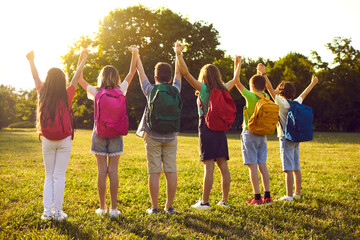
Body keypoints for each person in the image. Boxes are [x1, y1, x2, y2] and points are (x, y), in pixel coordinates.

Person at [176, 43, 241, 209]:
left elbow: (185, 73)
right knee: (223, 166)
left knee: (209, 166)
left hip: (206, 127)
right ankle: (224, 201)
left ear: (204, 76)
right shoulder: (224, 89)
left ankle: (204, 202)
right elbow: (235, 79)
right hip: (220, 129)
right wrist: (237, 62)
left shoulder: (204, 89)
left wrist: (179, 54)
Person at [26, 49, 88, 221]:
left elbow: (35, 77)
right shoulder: (67, 94)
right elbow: (76, 76)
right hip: (64, 139)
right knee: (59, 176)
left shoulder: (43, 93)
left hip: (47, 139)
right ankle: (58, 212)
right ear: (62, 81)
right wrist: (83, 59)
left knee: (49, 175)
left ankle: (47, 212)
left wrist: (31, 60)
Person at [77, 46, 138, 218]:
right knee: (114, 171)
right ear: (116, 78)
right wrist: (135, 54)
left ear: (101, 78)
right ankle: (113, 209)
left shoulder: (96, 92)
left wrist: (83, 55)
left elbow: (79, 77)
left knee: (101, 170)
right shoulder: (121, 90)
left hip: (99, 133)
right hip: (117, 133)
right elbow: (132, 72)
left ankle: (102, 207)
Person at [258, 63, 318, 201]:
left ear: (280, 91)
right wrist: (312, 83)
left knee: (288, 167)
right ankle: (297, 193)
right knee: (296, 166)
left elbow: (268, 89)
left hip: (285, 137)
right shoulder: (296, 102)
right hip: (297, 138)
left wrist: (263, 73)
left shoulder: (281, 103)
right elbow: (304, 93)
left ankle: (289, 195)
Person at [135, 42, 182, 214]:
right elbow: (179, 73)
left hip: (152, 136)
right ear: (170, 78)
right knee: (171, 170)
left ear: (155, 78)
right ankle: (169, 207)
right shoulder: (176, 89)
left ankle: (154, 208)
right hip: (171, 136)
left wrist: (137, 54)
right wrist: (177, 53)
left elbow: (140, 72)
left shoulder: (150, 90)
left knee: (154, 172)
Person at [235, 63, 273, 205]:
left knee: (252, 166)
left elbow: (236, 81)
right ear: (263, 87)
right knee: (262, 165)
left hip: (249, 133)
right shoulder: (266, 97)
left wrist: (237, 63)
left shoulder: (250, 96)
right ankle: (267, 196)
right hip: (262, 135)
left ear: (251, 86)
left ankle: (257, 197)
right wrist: (261, 73)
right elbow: (265, 86)